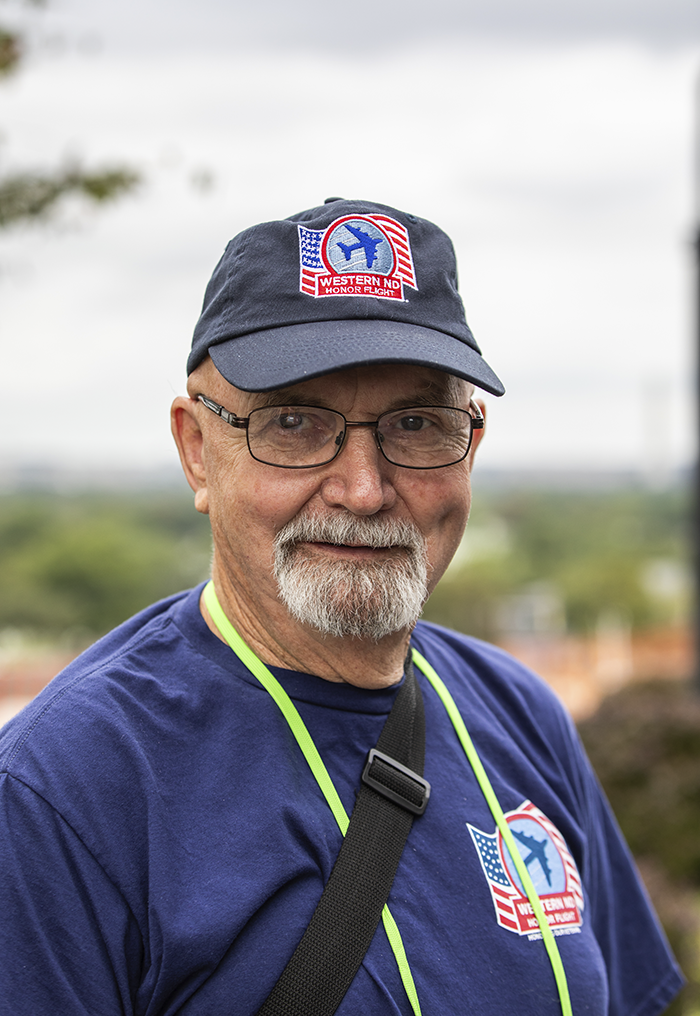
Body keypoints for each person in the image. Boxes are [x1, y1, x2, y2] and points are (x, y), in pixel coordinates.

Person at [0, 198, 683, 1016]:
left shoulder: (522, 714)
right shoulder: (64, 790)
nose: (363, 490)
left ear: (473, 442)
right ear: (196, 452)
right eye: (292, 422)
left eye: (418, 423)